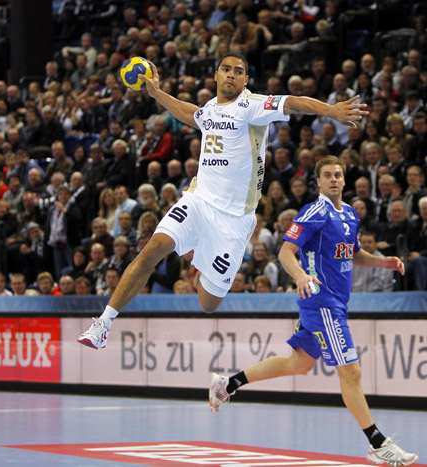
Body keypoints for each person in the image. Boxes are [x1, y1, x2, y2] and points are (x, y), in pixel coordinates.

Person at [78, 52, 367, 350]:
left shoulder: (253, 106)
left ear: (245, 79)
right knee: (152, 249)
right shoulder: (210, 109)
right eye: (226, 69)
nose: (231, 74)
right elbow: (190, 114)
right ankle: (103, 323)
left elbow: (293, 102)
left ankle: (199, 259)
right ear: (216, 75)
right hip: (198, 201)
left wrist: (330, 110)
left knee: (207, 303)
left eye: (238, 71)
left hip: (234, 221)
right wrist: (156, 93)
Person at [208, 156, 417, 465]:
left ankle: (228, 383)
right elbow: (285, 252)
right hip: (322, 302)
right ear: (318, 182)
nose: (333, 179)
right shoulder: (314, 212)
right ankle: (377, 443)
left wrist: (381, 262)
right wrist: (301, 276)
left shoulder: (349, 213)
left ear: (344, 180)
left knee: (299, 363)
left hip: (334, 303)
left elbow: (353, 253)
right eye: (327, 175)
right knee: (351, 372)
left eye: (338, 174)